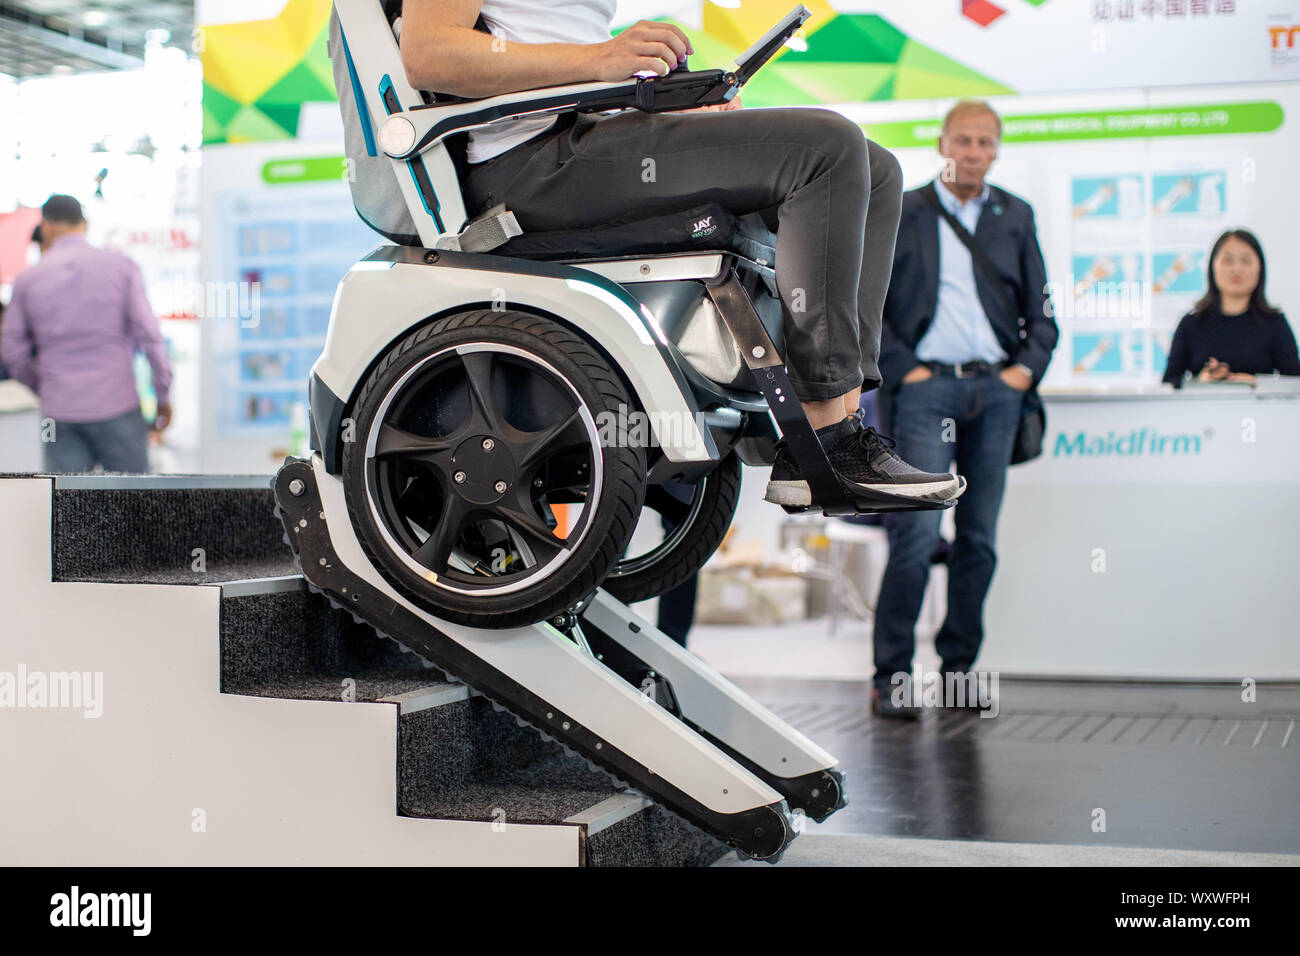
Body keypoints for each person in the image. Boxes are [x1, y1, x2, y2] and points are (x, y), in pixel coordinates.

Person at [398, 0, 965, 509]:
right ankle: (821, 441)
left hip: (585, 136)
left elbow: (553, 71)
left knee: (877, 170)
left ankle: (840, 425)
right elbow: (429, 53)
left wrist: (666, 111)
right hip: (526, 166)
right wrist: (602, 58)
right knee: (827, 149)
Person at [871, 100, 1058, 719]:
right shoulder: (905, 211)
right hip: (927, 392)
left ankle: (957, 673)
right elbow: (868, 307)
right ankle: (891, 676)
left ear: (997, 149)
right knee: (918, 532)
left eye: (984, 142)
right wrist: (908, 370)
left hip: (996, 394)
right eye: (963, 140)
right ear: (942, 144)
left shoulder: (1015, 215)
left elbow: (1043, 315)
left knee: (978, 538)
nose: (973, 151)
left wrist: (1021, 373)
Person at [0, 194, 172, 473]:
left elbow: (12, 350)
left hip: (57, 417)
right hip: (119, 406)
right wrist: (163, 395)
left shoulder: (27, 280)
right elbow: (150, 337)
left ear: (45, 227)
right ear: (84, 224)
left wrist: (45, 387)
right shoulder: (122, 267)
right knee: (137, 505)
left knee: (67, 506)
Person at [1162, 229, 1298, 387]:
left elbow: (1294, 384)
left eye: (1246, 261)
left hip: (1259, 411)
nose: (1236, 269)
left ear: (1260, 269)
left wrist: (1250, 381)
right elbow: (1169, 382)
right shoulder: (1191, 323)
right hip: (1203, 410)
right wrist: (1201, 381)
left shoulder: (1275, 323)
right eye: (1228, 261)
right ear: (1212, 267)